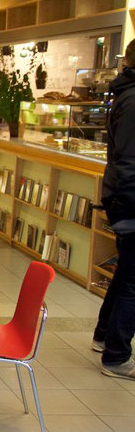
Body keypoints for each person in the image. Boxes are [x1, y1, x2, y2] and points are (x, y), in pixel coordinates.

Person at [93, 38, 135, 380]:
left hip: (125, 198)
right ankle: (117, 356)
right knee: (133, 281)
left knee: (126, 274)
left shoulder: (127, 95)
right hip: (131, 201)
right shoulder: (134, 100)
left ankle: (105, 337)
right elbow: (128, 161)